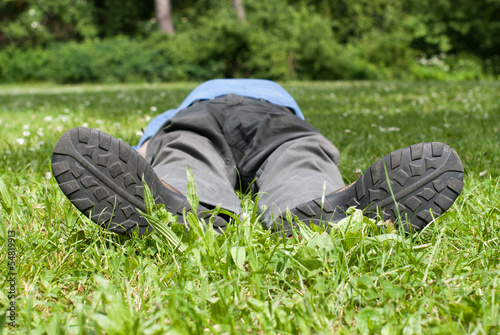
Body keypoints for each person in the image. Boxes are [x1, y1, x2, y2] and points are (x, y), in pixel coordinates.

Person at [51, 79, 464, 236]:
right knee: (299, 155)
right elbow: (307, 138)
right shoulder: (278, 96)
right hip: (273, 116)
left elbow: (153, 141)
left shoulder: (184, 106)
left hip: (199, 115)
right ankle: (321, 205)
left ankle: (182, 205)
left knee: (185, 152)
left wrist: (145, 160)